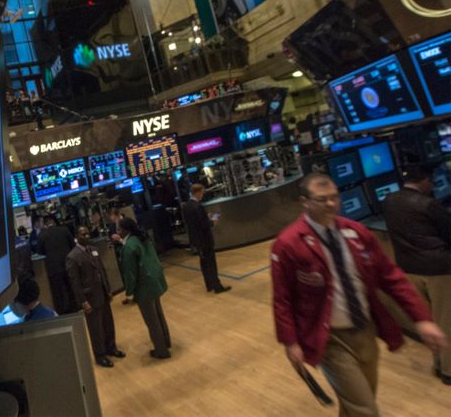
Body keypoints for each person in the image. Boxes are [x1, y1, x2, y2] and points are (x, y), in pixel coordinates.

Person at [271, 173, 447, 416]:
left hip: (365, 330)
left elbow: (390, 276)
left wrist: (423, 318)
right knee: (365, 409)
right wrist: (290, 341)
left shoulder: (356, 232)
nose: (331, 204)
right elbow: (282, 298)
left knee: (357, 402)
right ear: (305, 202)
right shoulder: (288, 243)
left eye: (334, 197)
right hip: (330, 338)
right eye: (322, 199)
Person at [383, 165, 451, 385]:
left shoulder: (390, 200)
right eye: (430, 182)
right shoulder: (429, 204)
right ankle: (449, 372)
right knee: (446, 321)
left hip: (409, 269)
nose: (432, 185)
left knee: (428, 320)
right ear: (424, 180)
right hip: (439, 271)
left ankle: (439, 362)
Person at [67, 227, 125, 367]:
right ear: (77, 236)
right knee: (95, 328)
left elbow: (102, 270)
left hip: (103, 293)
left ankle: (111, 347)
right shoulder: (72, 257)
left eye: (87, 233)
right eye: (83, 234)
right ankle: (100, 356)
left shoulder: (93, 249)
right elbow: (75, 283)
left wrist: (108, 289)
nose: (86, 235)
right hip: (90, 298)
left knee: (108, 324)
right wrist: (83, 302)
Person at [117, 217, 171, 359]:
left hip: (144, 287)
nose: (117, 232)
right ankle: (166, 342)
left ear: (124, 230)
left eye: (119, 229)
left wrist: (129, 294)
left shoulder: (128, 247)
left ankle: (161, 351)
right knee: (159, 315)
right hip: (155, 280)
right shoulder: (142, 238)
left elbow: (130, 274)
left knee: (151, 321)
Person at [182, 184, 231, 294]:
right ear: (198, 192)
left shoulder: (186, 206)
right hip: (205, 239)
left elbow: (193, 223)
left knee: (204, 263)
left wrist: (205, 217)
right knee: (211, 263)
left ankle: (209, 285)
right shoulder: (197, 206)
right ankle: (217, 286)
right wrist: (212, 222)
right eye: (202, 193)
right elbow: (203, 225)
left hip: (196, 240)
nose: (202, 195)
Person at [36, 216, 75, 314]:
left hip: (53, 268)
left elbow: (39, 252)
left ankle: (63, 312)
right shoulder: (64, 230)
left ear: (45, 225)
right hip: (68, 264)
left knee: (58, 292)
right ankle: (75, 307)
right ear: (53, 222)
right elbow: (73, 245)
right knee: (71, 287)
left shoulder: (42, 235)